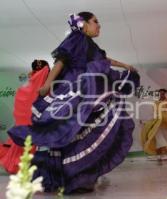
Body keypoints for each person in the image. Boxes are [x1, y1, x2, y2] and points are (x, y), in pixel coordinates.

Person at [8, 12, 140, 194]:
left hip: (88, 88)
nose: (99, 25)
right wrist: (47, 84)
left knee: (82, 131)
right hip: (76, 87)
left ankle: (78, 178)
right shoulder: (76, 38)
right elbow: (60, 62)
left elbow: (104, 60)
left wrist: (125, 65)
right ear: (83, 24)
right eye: (95, 21)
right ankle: (67, 178)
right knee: (68, 130)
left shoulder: (90, 44)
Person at [0, 59, 50, 174]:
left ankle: (24, 164)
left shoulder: (30, 83)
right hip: (35, 119)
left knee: (26, 139)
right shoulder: (43, 81)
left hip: (28, 121)